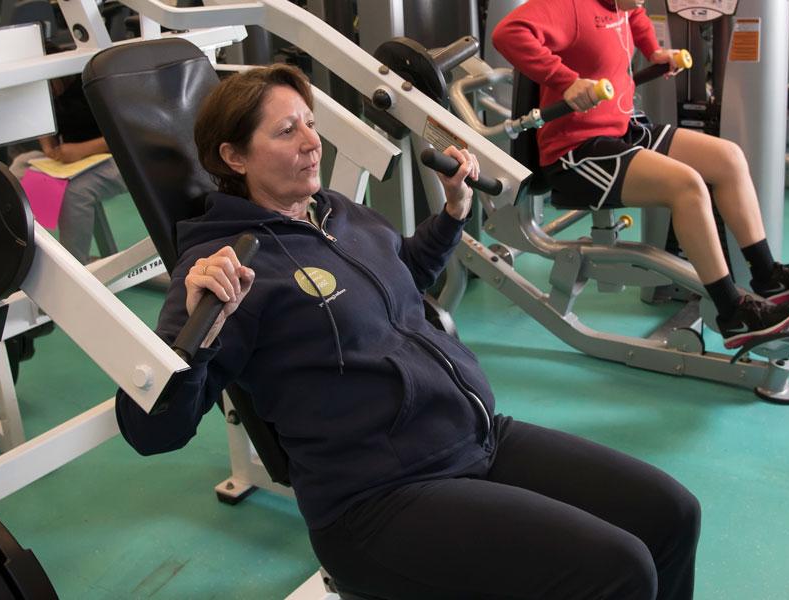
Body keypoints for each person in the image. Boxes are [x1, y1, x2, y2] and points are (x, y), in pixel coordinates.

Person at [115, 64, 699, 600]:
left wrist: (451, 214)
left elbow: (402, 278)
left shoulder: (333, 211)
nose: (312, 142)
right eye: (286, 131)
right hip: (377, 498)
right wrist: (192, 332)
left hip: (473, 435)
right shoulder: (225, 264)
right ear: (234, 157)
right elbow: (154, 430)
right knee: (620, 569)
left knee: (672, 513)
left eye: (311, 124)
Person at [493, 0, 789, 349]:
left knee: (728, 157)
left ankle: (768, 275)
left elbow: (636, 14)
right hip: (576, 152)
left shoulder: (623, 3)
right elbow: (508, 33)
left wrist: (654, 51)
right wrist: (564, 80)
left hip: (622, 128)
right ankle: (732, 312)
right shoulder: (569, 5)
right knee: (686, 186)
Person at [9, 74, 126, 264]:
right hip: (72, 158)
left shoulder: (95, 83)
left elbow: (127, 131)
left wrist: (83, 149)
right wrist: (48, 148)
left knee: (75, 192)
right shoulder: (46, 90)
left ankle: (74, 265)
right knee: (21, 165)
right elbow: (42, 118)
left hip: (116, 156)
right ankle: (15, 252)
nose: (48, 92)